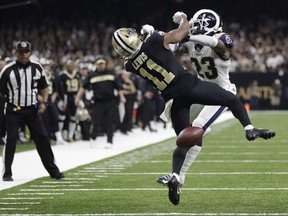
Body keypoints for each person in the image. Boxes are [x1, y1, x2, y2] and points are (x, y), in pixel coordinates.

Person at [111, 11, 276, 205]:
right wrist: (178, 22)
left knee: (185, 139)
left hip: (173, 99)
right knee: (208, 120)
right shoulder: (161, 40)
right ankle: (249, 129)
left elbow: (168, 49)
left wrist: (157, 35)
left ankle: (175, 175)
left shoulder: (129, 65)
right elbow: (177, 36)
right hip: (193, 88)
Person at [155, 9, 239, 189]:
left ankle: (178, 175)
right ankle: (178, 177)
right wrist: (156, 36)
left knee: (198, 127)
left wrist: (188, 35)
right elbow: (170, 44)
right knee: (185, 132)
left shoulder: (222, 39)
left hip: (222, 93)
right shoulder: (192, 40)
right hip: (202, 90)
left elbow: (216, 42)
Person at [0, 41, 64, 181]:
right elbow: (1, 89)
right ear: (16, 53)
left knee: (43, 139)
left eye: (26, 52)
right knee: (11, 139)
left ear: (30, 52)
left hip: (32, 110)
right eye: (21, 52)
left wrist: (44, 102)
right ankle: (7, 173)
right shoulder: (7, 70)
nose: (24, 55)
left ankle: (54, 171)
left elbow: (44, 87)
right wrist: (11, 99)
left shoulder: (37, 67)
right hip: (13, 109)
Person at [75, 57, 126, 148]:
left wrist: (121, 96)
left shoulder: (111, 73)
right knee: (96, 121)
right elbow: (83, 87)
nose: (101, 65)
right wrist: (78, 97)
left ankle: (109, 141)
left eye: (102, 63)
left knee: (110, 121)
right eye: (99, 64)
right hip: (98, 102)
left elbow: (118, 87)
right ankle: (93, 138)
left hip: (110, 101)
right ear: (96, 65)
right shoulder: (92, 75)